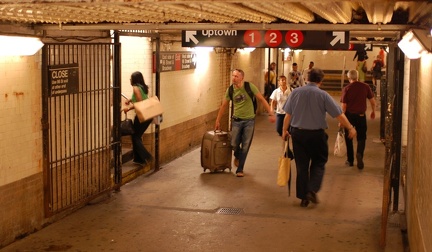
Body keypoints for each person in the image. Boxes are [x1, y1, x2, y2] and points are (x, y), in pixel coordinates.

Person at [282, 68, 357, 207]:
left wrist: (284, 130)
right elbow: (338, 114)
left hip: (297, 134)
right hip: (316, 135)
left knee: (301, 165)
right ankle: (311, 190)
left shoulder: (296, 93)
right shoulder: (323, 95)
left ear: (307, 79)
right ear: (320, 81)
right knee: (319, 162)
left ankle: (303, 196)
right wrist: (350, 128)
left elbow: (288, 115)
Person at [215, 69, 276, 177]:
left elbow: (261, 99)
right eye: (233, 76)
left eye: (236, 76)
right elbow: (224, 105)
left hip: (249, 121)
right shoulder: (230, 90)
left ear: (242, 78)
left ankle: (240, 169)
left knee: (245, 145)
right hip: (236, 121)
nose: (234, 78)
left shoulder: (249, 87)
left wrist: (271, 113)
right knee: (233, 143)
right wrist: (218, 120)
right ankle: (237, 156)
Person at [341, 70, 376, 169]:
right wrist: (373, 111)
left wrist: (342, 119)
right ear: (357, 77)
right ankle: (359, 154)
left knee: (349, 138)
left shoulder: (346, 88)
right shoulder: (365, 86)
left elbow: (344, 106)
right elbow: (373, 101)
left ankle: (350, 160)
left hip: (349, 116)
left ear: (349, 78)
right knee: (361, 137)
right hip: (361, 116)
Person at [123, 71, 154, 166]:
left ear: (134, 79)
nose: (130, 80)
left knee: (135, 136)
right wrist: (130, 99)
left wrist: (128, 108)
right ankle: (139, 159)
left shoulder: (135, 88)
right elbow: (141, 98)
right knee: (137, 136)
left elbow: (140, 103)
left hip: (142, 116)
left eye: (131, 78)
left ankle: (146, 156)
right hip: (148, 115)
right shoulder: (143, 87)